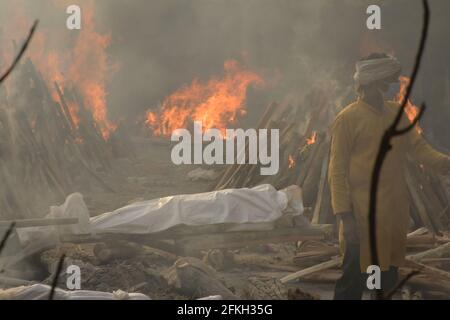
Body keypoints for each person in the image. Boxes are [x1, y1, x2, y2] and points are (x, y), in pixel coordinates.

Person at [328, 53, 450, 300]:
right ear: (371, 82)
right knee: (352, 282)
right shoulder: (347, 119)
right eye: (386, 80)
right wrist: (345, 218)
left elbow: (418, 148)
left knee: (386, 283)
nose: (389, 86)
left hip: (392, 216)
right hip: (361, 218)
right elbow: (337, 171)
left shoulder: (397, 113)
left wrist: (446, 163)